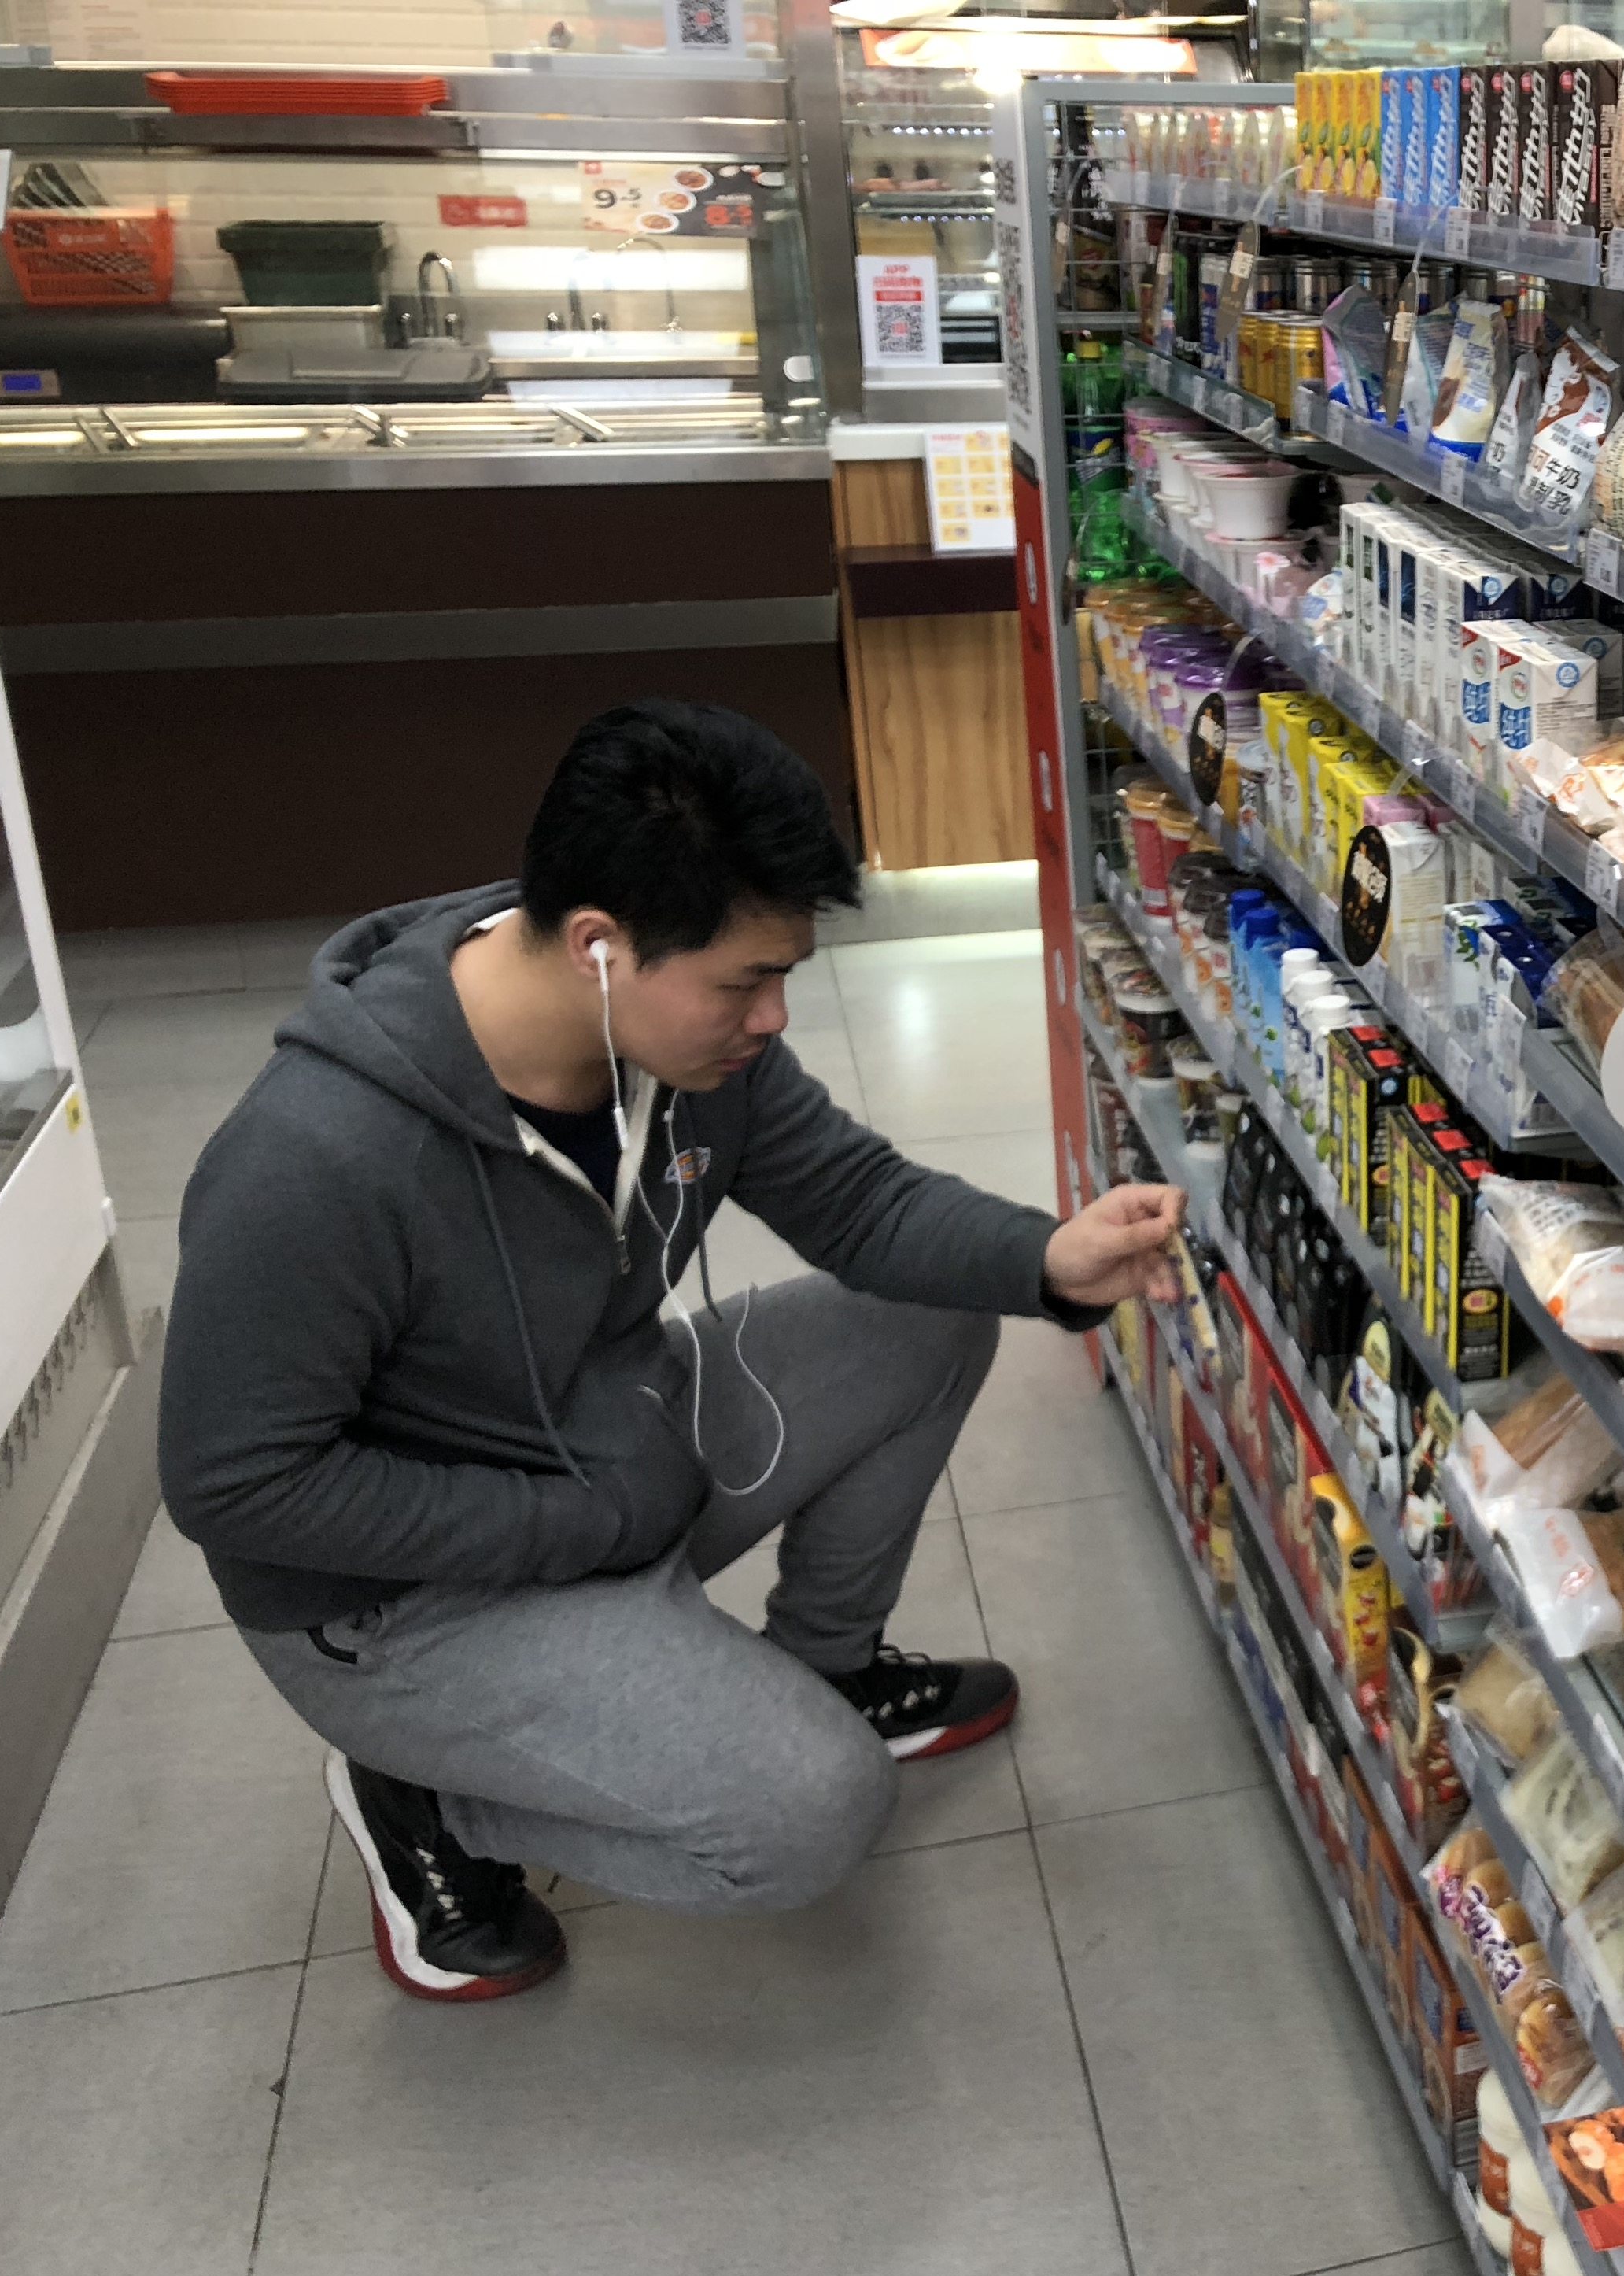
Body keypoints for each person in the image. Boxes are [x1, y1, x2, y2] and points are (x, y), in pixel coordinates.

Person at [159, 699, 1183, 2003]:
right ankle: (424, 1804)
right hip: (403, 1597)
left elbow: (859, 1207)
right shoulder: (313, 1161)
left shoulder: (685, 1051)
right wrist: (573, 1524)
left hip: (610, 1453)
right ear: (597, 946)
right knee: (813, 1816)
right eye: (744, 981)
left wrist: (1048, 1260)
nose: (769, 1020)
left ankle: (824, 1666)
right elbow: (237, 1487)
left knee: (927, 1310)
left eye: (785, 977)